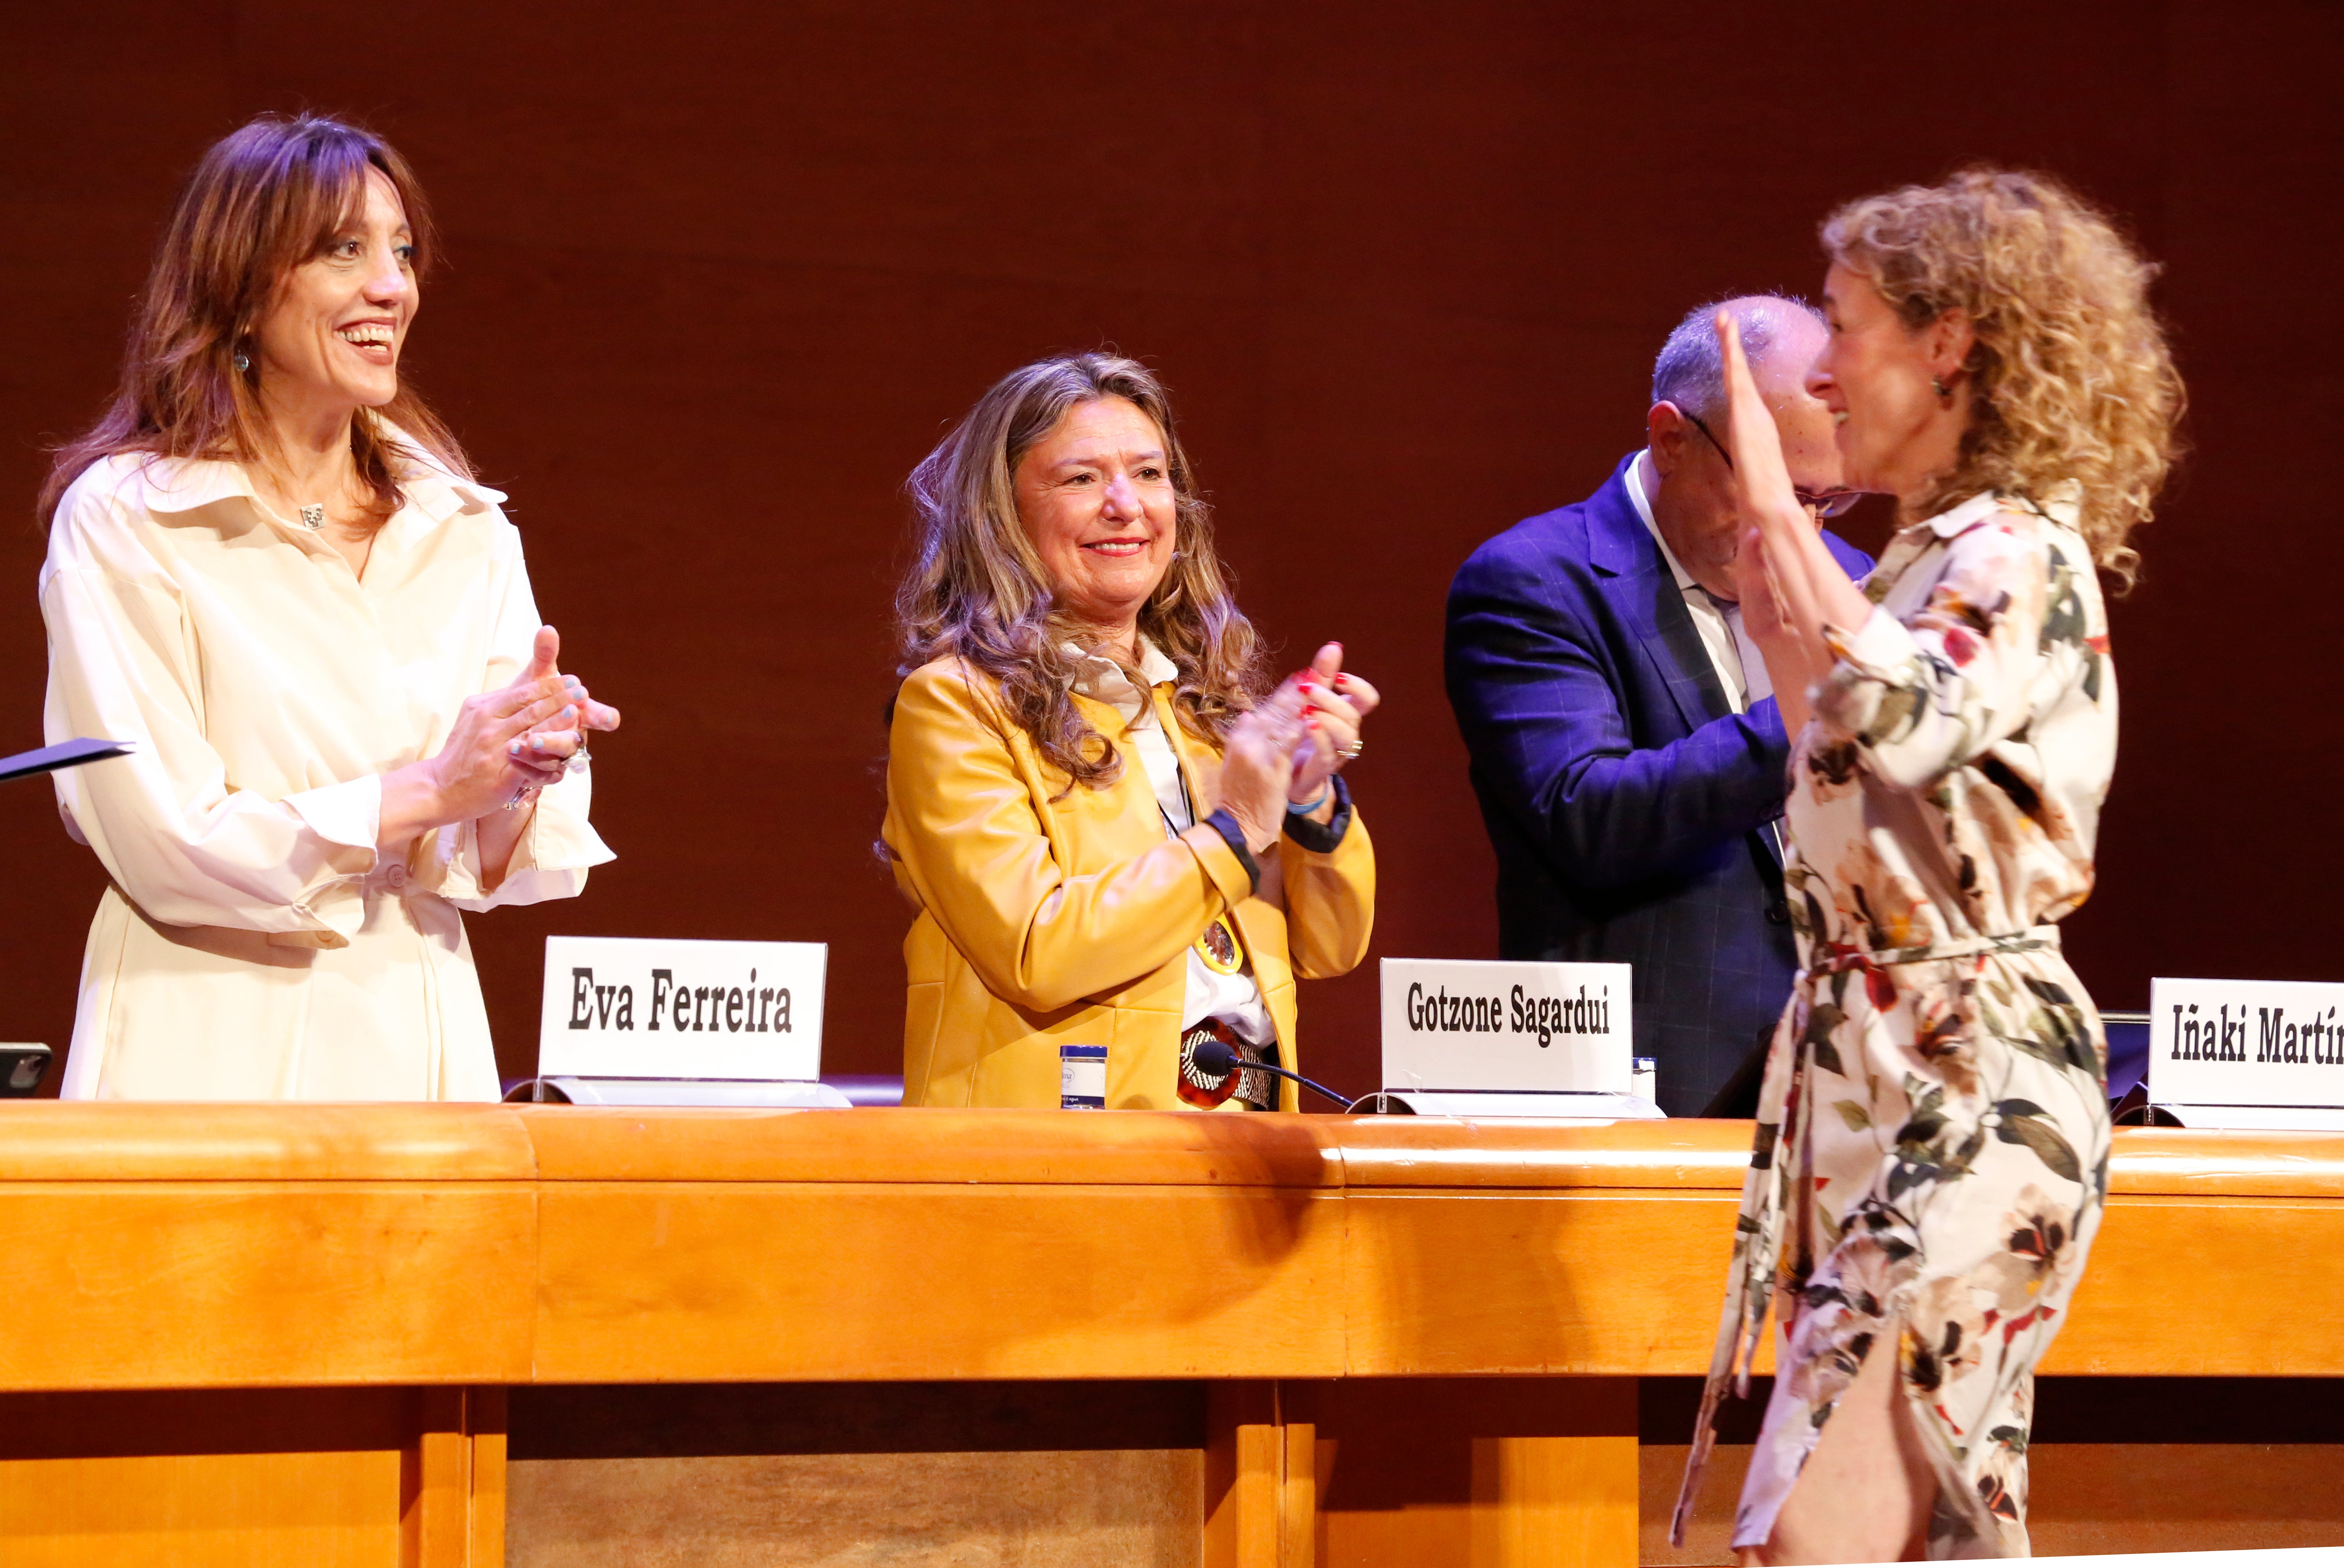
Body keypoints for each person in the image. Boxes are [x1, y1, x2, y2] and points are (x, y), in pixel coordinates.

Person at [1673, 171, 2182, 1562]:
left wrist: (1784, 515)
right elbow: (1831, 732)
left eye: (1846, 326)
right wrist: (1780, 581)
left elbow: (1909, 716)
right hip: (1875, 1071)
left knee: (1818, 1537)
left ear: (1947, 342)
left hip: (1973, 1082)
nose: (1825, 368)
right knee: (1933, 1537)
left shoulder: (2019, 549)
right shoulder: (1915, 565)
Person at [38, 114, 619, 1101]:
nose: (392, 287)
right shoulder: (132, 519)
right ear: (242, 282)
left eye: (400, 252)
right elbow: (163, 836)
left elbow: (505, 859)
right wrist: (434, 789)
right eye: (345, 250)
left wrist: (520, 768)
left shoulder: (463, 523)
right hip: (208, 1036)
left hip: (414, 1025)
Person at [883, 353, 1376, 1110]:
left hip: (1244, 1141)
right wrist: (1237, 830)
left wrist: (1310, 805)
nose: (1126, 505)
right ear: (1004, 515)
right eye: (1081, 479)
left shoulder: (1207, 705)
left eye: (1149, 475)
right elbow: (1037, 951)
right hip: (1056, 1161)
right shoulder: (954, 705)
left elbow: (1331, 947)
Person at [1445, 297, 1871, 1116]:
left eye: (1829, 499)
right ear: (1671, 438)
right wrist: (1821, 707)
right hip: (1647, 1087)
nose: (1802, 533)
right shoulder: (1535, 580)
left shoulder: (1849, 576)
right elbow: (1590, 817)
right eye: (1780, 493)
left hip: (1842, 1083)